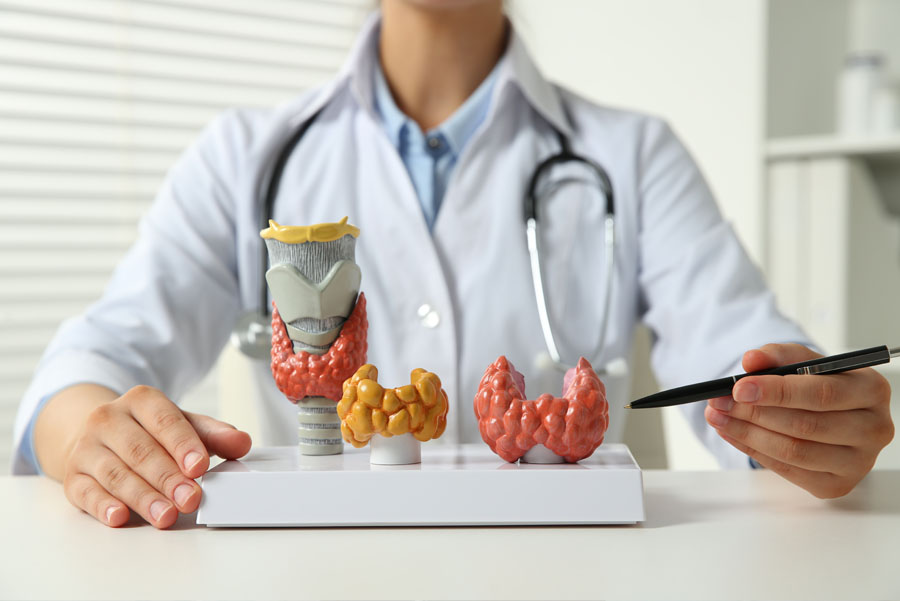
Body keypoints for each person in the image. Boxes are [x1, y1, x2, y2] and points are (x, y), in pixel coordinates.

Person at [12, 0, 893, 528]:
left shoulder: (633, 156)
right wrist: (91, 430)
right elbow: (85, 368)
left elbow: (744, 352)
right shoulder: (243, 158)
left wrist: (803, 421)